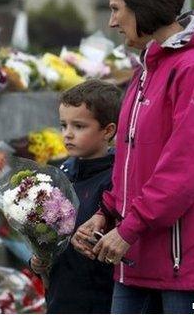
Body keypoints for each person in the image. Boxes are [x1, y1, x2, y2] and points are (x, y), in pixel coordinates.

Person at [71, 0, 194, 313]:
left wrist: (129, 228)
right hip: (137, 261)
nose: (112, 22)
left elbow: (183, 171)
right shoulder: (147, 70)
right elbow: (132, 163)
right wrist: (106, 213)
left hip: (185, 268)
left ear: (142, 5)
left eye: (116, 9)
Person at [31, 80, 122, 313]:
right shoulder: (60, 174)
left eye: (79, 126)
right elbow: (45, 231)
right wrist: (37, 260)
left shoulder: (115, 180)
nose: (68, 134)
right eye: (63, 125)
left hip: (100, 298)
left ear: (108, 131)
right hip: (61, 295)